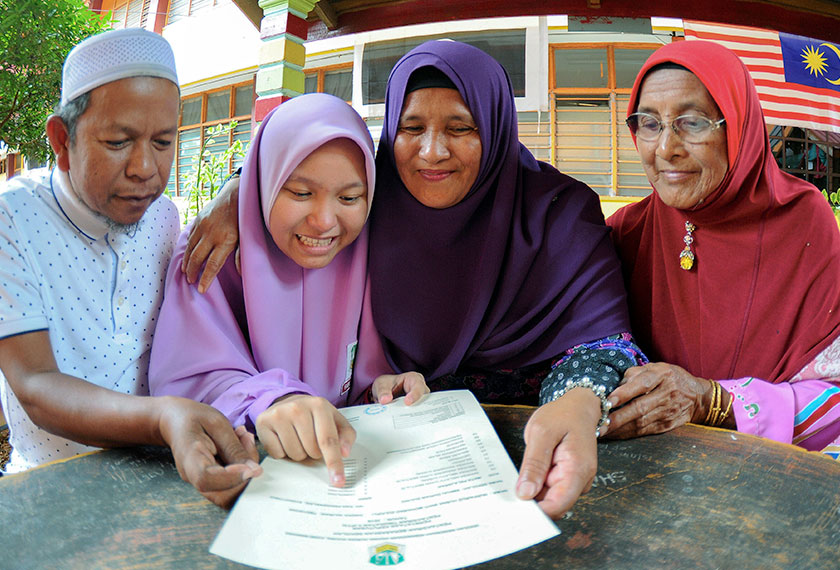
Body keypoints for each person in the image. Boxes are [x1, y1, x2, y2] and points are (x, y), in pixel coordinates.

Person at [182, 41, 648, 519]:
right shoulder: (365, 200)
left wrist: (577, 401)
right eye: (411, 127)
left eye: (461, 128)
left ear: (495, 127)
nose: (431, 152)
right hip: (377, 460)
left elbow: (604, 341)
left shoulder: (558, 213)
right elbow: (308, 161)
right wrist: (243, 189)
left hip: (541, 446)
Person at [0, 28, 261, 507]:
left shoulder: (164, 217)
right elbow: (35, 384)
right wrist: (163, 419)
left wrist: (236, 191)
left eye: (163, 142)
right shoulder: (11, 218)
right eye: (119, 142)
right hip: (47, 488)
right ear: (62, 139)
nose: (145, 168)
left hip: (163, 473)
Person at [149, 93, 428, 488]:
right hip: (243, 479)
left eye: (349, 198)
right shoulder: (208, 252)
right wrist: (274, 400)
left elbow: (359, 375)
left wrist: (379, 388)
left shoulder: (365, 254)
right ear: (263, 182)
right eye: (300, 193)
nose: (324, 221)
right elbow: (191, 380)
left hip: (347, 477)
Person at [604, 40, 840, 456]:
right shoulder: (628, 232)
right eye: (649, 123)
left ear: (740, 126)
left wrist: (712, 401)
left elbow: (833, 405)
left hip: (768, 476)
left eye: (692, 122)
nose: (665, 149)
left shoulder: (805, 224)